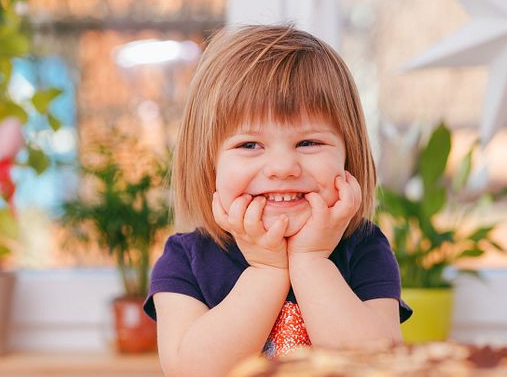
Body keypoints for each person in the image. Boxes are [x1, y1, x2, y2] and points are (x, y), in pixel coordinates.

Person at [143, 25, 412, 377]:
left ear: (348, 158)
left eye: (309, 143)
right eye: (250, 145)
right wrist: (266, 271)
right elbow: (192, 370)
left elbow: (380, 367)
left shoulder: (364, 248)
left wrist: (311, 261)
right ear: (209, 165)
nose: (283, 168)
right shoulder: (185, 260)